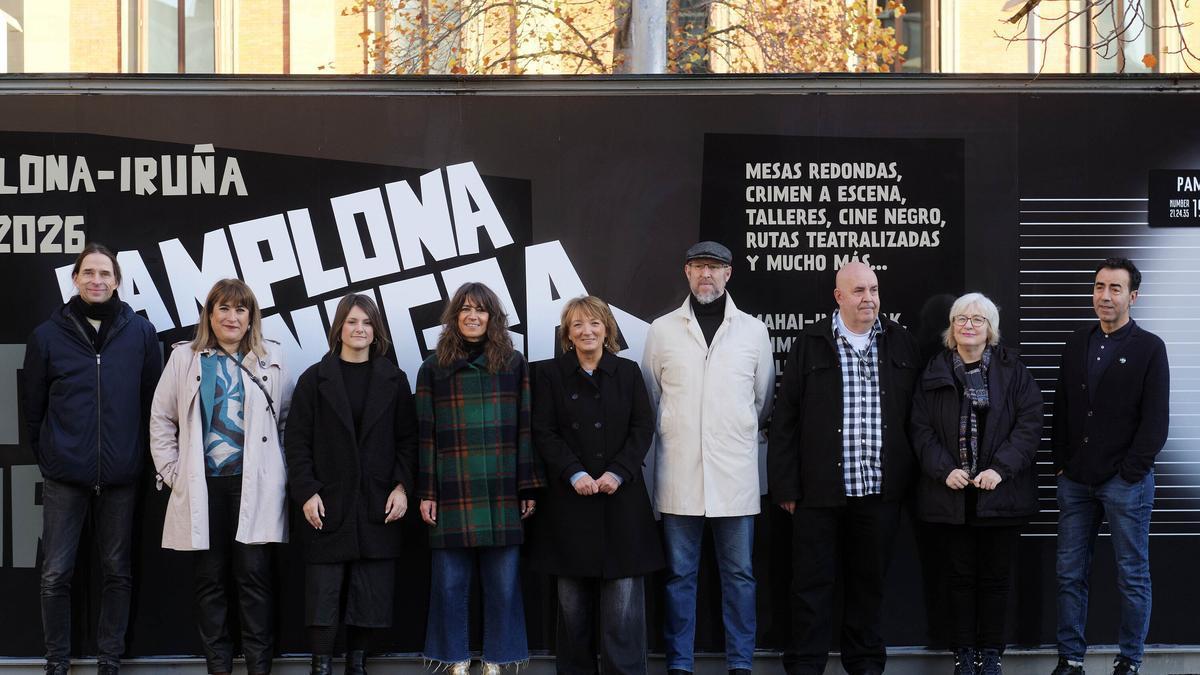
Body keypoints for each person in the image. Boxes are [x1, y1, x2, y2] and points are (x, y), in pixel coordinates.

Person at [767, 261, 919, 675]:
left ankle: (866, 667)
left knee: (869, 589)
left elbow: (917, 420)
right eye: (858, 291)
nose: (868, 298)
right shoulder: (810, 343)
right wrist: (786, 487)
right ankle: (805, 667)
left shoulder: (901, 342)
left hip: (879, 494)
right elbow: (786, 419)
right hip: (817, 493)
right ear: (838, 297)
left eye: (873, 289)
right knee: (810, 590)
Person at [22, 243, 162, 675]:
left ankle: (109, 660)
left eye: (105, 273)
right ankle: (57, 661)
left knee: (117, 572)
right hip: (65, 474)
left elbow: (153, 402)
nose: (97, 280)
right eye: (89, 273)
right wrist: (50, 455)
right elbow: (33, 407)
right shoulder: (47, 335)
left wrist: (137, 456)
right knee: (55, 575)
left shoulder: (139, 332)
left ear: (117, 280)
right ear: (75, 279)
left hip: (121, 474)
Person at [640, 241, 774, 675]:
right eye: (698, 267)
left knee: (740, 578)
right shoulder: (662, 330)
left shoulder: (754, 331)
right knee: (680, 579)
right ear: (686, 272)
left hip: (735, 479)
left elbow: (762, 400)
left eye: (714, 268)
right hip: (679, 477)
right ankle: (679, 666)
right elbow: (650, 398)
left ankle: (741, 666)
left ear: (729, 274)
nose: (706, 276)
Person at [149, 278, 292, 675]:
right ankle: (219, 668)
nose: (232, 317)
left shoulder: (272, 358)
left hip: (254, 486)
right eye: (224, 309)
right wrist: (173, 472)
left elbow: (286, 421)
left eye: (240, 310)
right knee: (210, 581)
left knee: (254, 579)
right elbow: (161, 418)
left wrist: (278, 473)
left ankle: (259, 668)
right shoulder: (186, 358)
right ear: (210, 315)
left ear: (251, 318)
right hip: (203, 485)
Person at [909, 293, 1043, 675]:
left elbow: (1030, 424)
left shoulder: (1012, 370)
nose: (968, 324)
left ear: (990, 329)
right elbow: (919, 429)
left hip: (999, 496)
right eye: (961, 318)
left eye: (978, 319)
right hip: (951, 498)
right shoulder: (934, 371)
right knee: (959, 580)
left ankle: (992, 654)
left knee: (996, 580)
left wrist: (1000, 469)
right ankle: (964, 654)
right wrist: (942, 469)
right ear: (951, 328)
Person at [530, 295, 664, 675]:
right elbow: (544, 431)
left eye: (594, 323)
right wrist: (574, 472)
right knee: (573, 612)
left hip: (621, 503)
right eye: (577, 325)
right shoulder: (550, 375)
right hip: (569, 505)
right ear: (567, 335)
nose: (586, 331)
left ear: (607, 330)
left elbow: (642, 427)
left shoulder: (627, 372)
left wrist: (617, 472)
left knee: (623, 612)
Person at [285, 293, 418, 675]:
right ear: (339, 328)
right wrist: (307, 491)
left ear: (376, 331)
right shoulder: (315, 379)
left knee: (370, 588)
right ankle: (321, 665)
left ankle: (357, 665)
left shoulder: (394, 380)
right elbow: (296, 441)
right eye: (352, 322)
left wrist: (402, 487)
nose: (359, 329)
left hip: (378, 500)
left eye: (367, 323)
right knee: (323, 591)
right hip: (327, 500)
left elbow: (409, 440)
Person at [416, 282, 545, 674]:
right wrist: (427, 492)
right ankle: (454, 661)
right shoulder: (432, 367)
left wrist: (527, 485)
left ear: (493, 317)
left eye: (481, 310)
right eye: (466, 310)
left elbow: (526, 428)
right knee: (449, 585)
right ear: (454, 317)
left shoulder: (514, 363)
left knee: (503, 585)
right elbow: (426, 435)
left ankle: (498, 663)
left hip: (502, 487)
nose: (473, 316)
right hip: (452, 487)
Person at [1050, 258, 1169, 675]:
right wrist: (1062, 463)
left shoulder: (1150, 348)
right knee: (1069, 574)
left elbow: (1155, 422)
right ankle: (1071, 659)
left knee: (1132, 576)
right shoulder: (1076, 342)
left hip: (1126, 484)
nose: (1105, 295)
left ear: (1133, 296)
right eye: (1099, 287)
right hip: (1076, 482)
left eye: (1115, 288)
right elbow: (1061, 408)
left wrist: (1131, 472)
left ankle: (1129, 661)